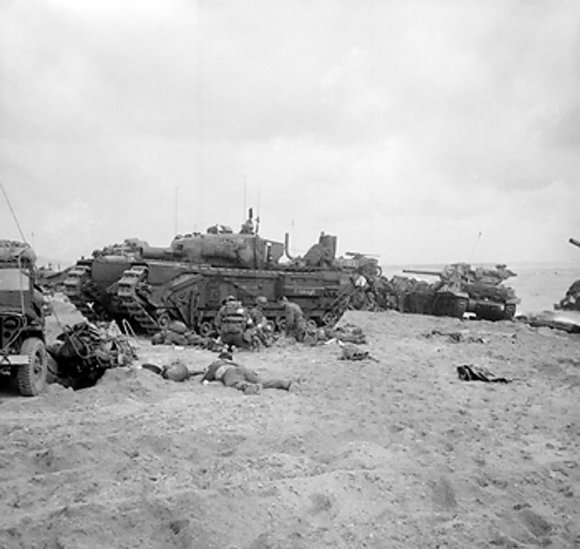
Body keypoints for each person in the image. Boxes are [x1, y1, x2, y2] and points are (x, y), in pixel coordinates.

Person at [201, 351, 292, 394]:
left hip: (229, 372)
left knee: (235, 383)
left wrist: (205, 377)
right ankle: (284, 383)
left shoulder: (217, 363)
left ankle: (250, 387)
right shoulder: (235, 363)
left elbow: (206, 379)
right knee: (262, 381)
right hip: (244, 370)